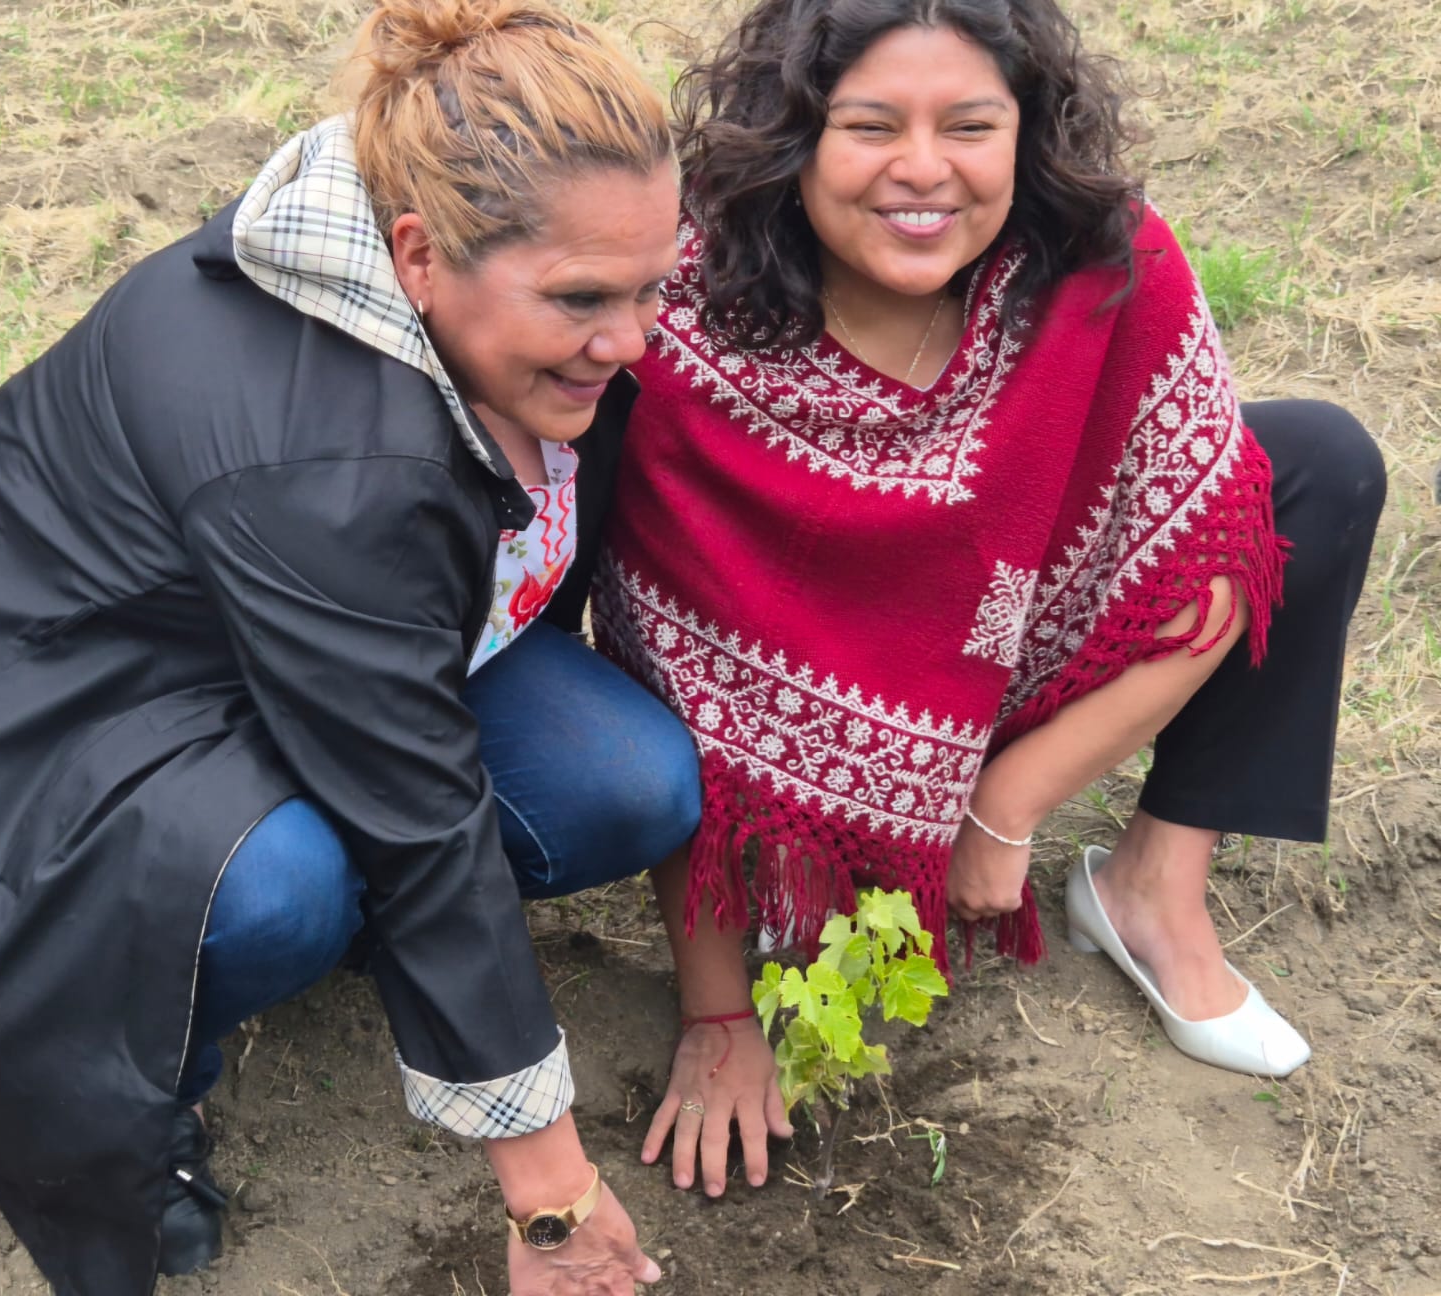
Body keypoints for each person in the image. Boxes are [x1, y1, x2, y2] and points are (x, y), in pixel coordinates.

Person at [0, 3, 695, 1292]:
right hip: (50, 716)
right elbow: (417, 809)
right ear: (417, 254)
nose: (629, 340)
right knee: (280, 889)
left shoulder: (457, 282)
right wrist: (551, 1195)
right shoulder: (329, 453)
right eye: (582, 299)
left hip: (289, 647)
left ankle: (348, 933)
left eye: (650, 286)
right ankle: (151, 1065)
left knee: (625, 779)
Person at [590, 0, 1386, 1199]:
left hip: (1005, 640)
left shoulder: (1099, 260)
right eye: (868, 126)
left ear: (1027, 132)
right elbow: (669, 662)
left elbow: (1214, 545)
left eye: (969, 124)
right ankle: (810, 868)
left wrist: (1007, 804)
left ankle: (1149, 892)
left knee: (1312, 467)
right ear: (795, 138)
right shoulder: (684, 314)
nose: (923, 170)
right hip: (791, 713)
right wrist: (717, 1016)